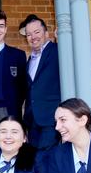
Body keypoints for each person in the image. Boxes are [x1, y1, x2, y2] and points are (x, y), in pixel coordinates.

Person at [19, 14, 61, 153]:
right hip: (32, 122)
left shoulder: (57, 51)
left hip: (51, 119)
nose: (33, 37)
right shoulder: (29, 60)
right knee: (36, 163)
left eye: (37, 32)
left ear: (46, 33)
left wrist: (62, 40)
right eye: (29, 34)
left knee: (48, 160)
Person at [0, 10, 27, 128]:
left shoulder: (18, 55)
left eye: (1, 26)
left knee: (9, 146)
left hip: (9, 110)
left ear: (6, 29)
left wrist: (15, 104)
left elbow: (23, 87)